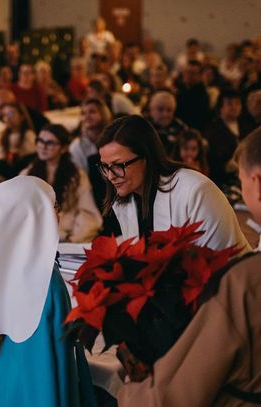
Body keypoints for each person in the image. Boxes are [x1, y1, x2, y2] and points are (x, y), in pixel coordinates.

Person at [117, 127, 261, 406]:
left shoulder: (245, 281)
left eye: (242, 181)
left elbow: (173, 397)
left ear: (257, 183)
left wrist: (129, 392)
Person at [0, 175, 96, 407]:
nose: (59, 213)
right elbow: (60, 352)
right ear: (36, 216)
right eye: (54, 206)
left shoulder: (4, 268)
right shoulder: (47, 281)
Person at [96, 115, 250, 252]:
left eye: (118, 165)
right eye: (105, 166)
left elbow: (221, 263)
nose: (110, 176)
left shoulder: (197, 191)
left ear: (147, 157)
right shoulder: (126, 198)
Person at [21, 124, 102, 242]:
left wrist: (72, 239)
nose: (43, 146)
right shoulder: (27, 174)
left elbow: (87, 213)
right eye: (40, 141)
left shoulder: (76, 176)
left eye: (50, 143)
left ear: (63, 148)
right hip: (34, 237)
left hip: (66, 237)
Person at [205, 88, 256, 186]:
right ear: (221, 107)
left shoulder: (247, 126)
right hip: (225, 180)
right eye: (230, 104)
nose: (234, 107)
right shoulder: (212, 130)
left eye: (237, 103)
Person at [0, 103, 36, 179]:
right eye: (4, 115)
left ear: (21, 116)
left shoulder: (28, 135)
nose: (7, 118)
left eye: (10, 114)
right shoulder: (3, 136)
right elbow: (0, 157)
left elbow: (31, 159)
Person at [175, 60, 210, 131]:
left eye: (192, 73)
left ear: (200, 76)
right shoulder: (180, 88)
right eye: (186, 72)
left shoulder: (202, 95)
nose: (188, 75)